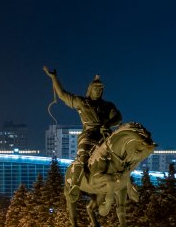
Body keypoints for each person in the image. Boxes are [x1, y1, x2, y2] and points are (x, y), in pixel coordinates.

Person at [43, 66, 122, 195]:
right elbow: (62, 94)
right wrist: (54, 78)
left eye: (100, 89)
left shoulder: (108, 105)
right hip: (89, 135)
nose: (98, 91)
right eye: (95, 89)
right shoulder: (81, 102)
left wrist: (107, 124)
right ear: (90, 89)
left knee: (120, 154)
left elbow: (118, 117)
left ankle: (125, 182)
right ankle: (75, 184)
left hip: (105, 135)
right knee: (83, 155)